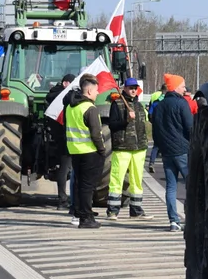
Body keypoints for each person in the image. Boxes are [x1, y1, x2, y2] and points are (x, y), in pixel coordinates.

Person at [152, 73, 193, 232]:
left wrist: (161, 147)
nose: (185, 89)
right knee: (191, 184)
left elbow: (156, 130)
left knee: (171, 187)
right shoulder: (181, 104)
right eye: (183, 86)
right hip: (182, 150)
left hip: (167, 152)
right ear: (176, 87)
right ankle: (191, 218)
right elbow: (190, 127)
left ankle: (173, 221)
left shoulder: (159, 106)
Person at [65, 73, 107, 229]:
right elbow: (96, 134)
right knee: (87, 186)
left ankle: (80, 213)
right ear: (89, 91)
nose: (97, 93)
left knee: (79, 184)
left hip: (75, 151)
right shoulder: (90, 108)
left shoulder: (70, 106)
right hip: (90, 152)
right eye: (96, 90)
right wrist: (102, 150)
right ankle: (86, 218)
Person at [107, 77, 151, 220]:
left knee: (137, 180)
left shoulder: (139, 105)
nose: (133, 90)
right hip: (123, 147)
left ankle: (136, 210)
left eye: (135, 88)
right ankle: (113, 211)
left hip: (139, 148)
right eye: (131, 88)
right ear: (125, 88)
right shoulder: (117, 104)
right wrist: (126, 120)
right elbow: (112, 125)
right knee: (117, 179)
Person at [45, 73, 76, 209]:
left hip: (59, 136)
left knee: (64, 168)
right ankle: (72, 201)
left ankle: (63, 200)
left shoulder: (52, 96)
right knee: (72, 169)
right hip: (69, 138)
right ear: (65, 84)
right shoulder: (68, 98)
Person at [146, 83, 166, 173]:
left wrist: (153, 122)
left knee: (156, 146)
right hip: (166, 127)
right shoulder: (167, 102)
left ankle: (151, 163)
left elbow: (150, 114)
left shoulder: (156, 101)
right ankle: (167, 166)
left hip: (156, 126)